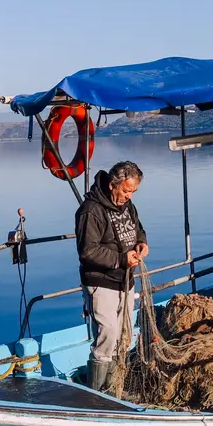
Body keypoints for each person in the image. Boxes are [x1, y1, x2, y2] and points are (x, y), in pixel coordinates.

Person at [76, 161, 148, 391]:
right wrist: (121, 259)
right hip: (101, 282)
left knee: (124, 334)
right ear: (112, 185)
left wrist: (141, 243)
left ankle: (114, 388)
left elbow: (138, 229)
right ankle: (97, 394)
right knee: (107, 334)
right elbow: (88, 251)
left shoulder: (128, 206)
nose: (129, 196)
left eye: (133, 192)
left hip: (125, 281)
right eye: (126, 191)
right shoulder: (91, 211)